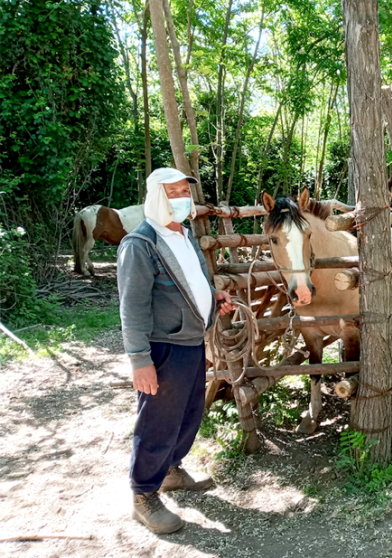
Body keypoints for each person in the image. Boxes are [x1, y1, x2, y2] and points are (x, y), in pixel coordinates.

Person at [117, 167, 234, 534]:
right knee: (158, 420)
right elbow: (132, 307)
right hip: (164, 345)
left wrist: (212, 299)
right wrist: (140, 360)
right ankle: (143, 495)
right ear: (157, 197)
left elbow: (189, 282)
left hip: (191, 340)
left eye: (187, 189)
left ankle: (170, 469)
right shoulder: (141, 244)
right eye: (176, 191)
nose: (185, 196)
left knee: (189, 411)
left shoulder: (183, 235)